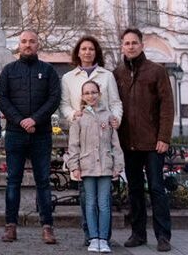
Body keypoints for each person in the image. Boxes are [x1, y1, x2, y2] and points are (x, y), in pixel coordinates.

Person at [0, 30, 62, 244]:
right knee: (13, 181)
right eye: (24, 41)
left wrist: (34, 119)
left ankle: (47, 227)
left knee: (43, 181)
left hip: (41, 134)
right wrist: (20, 120)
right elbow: (2, 98)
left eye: (32, 41)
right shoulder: (8, 70)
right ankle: (10, 226)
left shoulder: (49, 70)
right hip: (15, 134)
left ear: (38, 44)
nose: (27, 45)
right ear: (19, 44)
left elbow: (54, 98)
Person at [114, 28, 175, 252]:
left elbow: (167, 106)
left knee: (157, 189)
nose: (130, 46)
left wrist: (164, 137)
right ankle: (138, 233)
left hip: (152, 143)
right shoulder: (117, 73)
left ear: (142, 45)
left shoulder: (156, 71)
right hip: (128, 142)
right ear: (122, 46)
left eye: (134, 43)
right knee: (135, 190)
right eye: (127, 43)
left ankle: (163, 236)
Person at [59, 35, 123, 246]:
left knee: (104, 200)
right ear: (78, 52)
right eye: (84, 49)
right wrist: (73, 115)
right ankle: (90, 235)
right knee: (87, 197)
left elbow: (115, 102)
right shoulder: (68, 77)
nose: (87, 52)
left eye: (91, 49)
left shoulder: (107, 75)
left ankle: (104, 237)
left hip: (104, 130)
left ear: (96, 52)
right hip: (83, 131)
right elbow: (64, 104)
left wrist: (116, 120)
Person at [67, 81, 124, 253]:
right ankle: (93, 238)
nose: (91, 96)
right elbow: (73, 145)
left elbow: (115, 144)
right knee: (90, 203)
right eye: (87, 93)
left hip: (105, 166)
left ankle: (103, 238)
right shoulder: (79, 119)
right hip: (87, 166)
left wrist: (118, 165)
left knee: (104, 204)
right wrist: (74, 166)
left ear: (99, 94)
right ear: (83, 97)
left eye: (94, 92)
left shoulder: (109, 117)